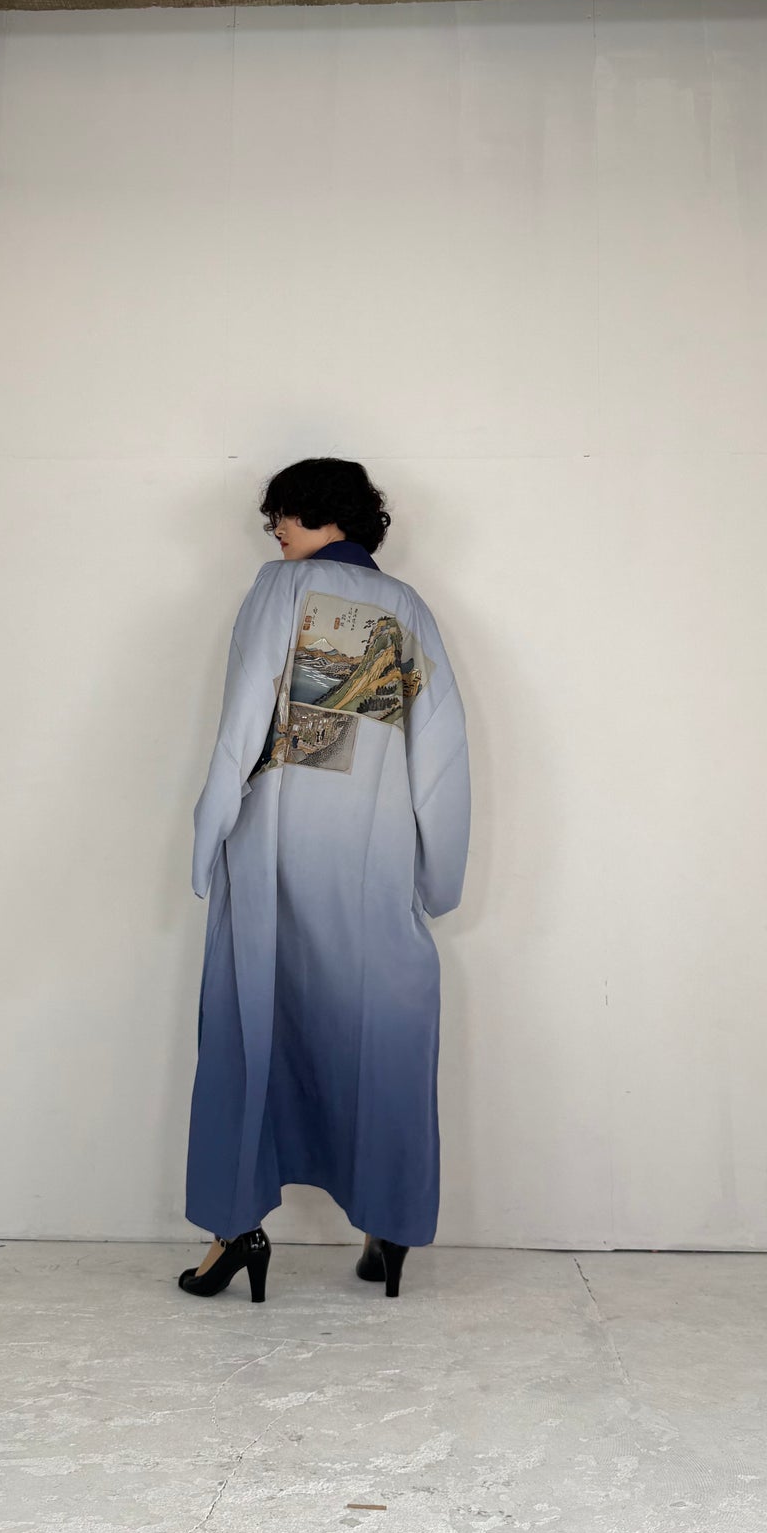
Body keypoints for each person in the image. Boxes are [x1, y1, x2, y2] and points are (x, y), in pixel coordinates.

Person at [179, 457, 471, 1303]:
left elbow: (246, 714)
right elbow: (440, 754)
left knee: (249, 1026)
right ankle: (389, 1223)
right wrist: (437, 876)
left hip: (275, 845)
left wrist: (208, 826)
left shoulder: (282, 586)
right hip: (374, 853)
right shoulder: (408, 607)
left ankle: (234, 1229)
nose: (273, 528)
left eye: (282, 512)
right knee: (382, 1029)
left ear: (320, 511)